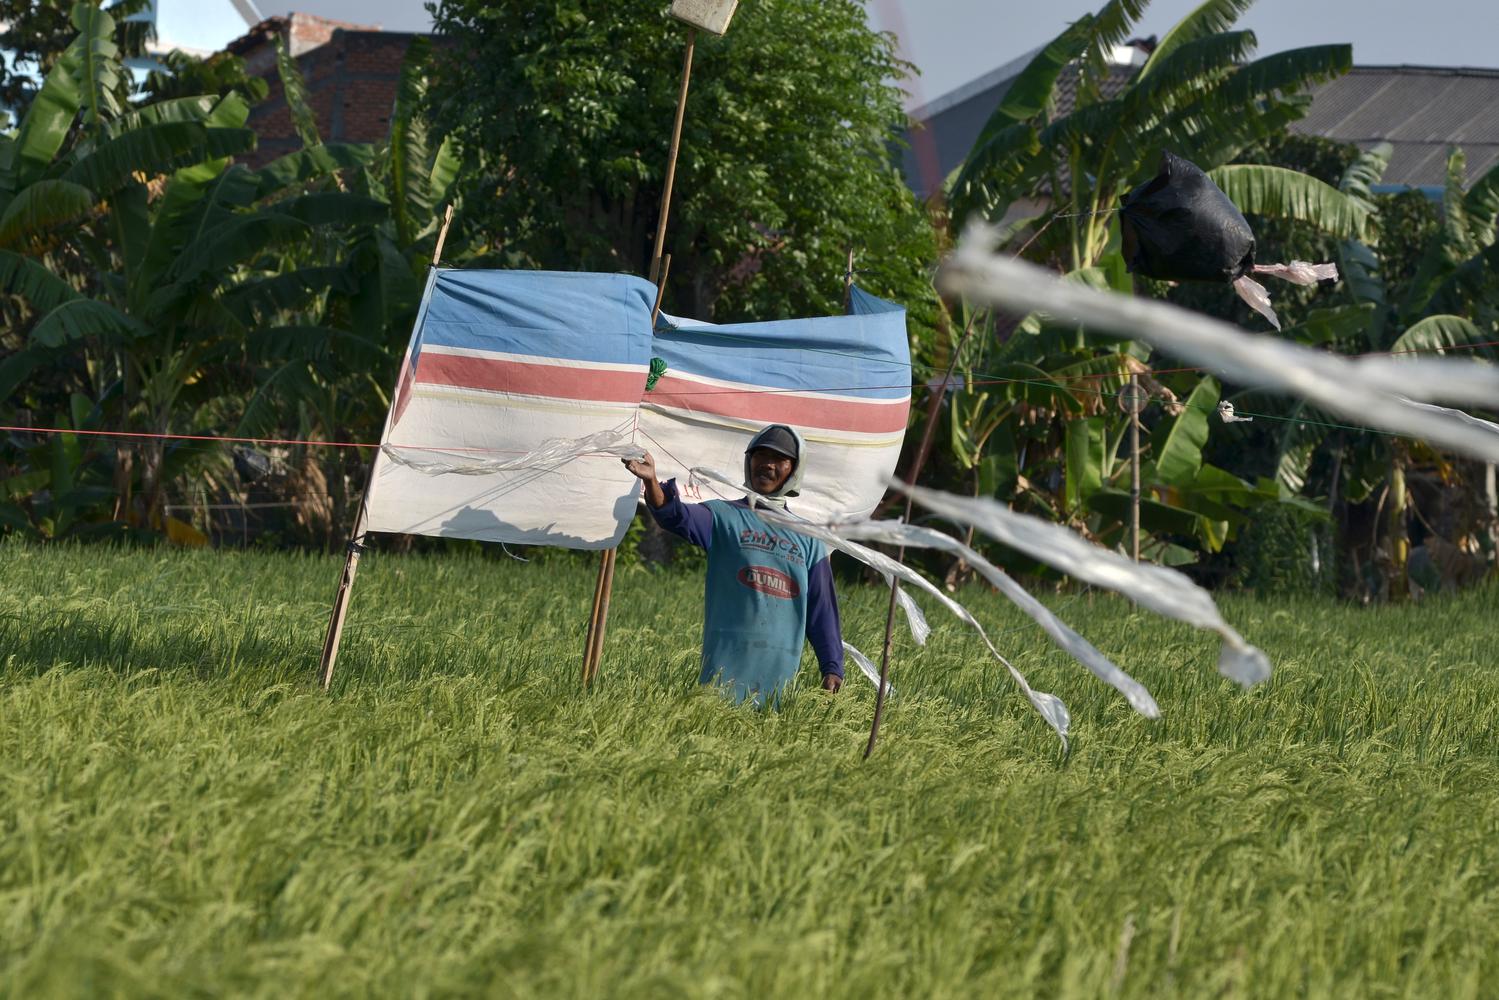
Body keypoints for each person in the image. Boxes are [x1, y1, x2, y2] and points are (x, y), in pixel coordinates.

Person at [622, 424, 844, 705]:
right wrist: (652, 481)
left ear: (795, 469)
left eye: (778, 459)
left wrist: (832, 665)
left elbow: (821, 608)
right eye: (760, 456)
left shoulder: (809, 539)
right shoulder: (723, 517)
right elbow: (675, 516)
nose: (767, 464)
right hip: (723, 676)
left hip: (780, 683)